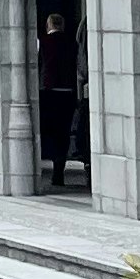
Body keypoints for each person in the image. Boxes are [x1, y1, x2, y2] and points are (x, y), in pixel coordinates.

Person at [36, 13, 85, 191]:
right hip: (67, 92)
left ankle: (46, 164)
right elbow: (80, 67)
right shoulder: (72, 44)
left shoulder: (42, 42)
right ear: (62, 26)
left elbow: (36, 65)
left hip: (47, 92)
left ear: (48, 25)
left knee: (47, 130)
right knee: (63, 132)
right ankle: (58, 170)